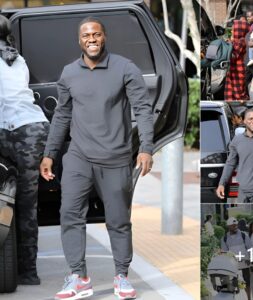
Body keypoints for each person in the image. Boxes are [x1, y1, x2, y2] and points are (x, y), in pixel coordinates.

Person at [40, 17, 153, 300]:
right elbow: (62, 115)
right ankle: (78, 277)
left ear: (104, 37)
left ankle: (121, 277)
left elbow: (142, 109)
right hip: (78, 156)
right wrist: (50, 154)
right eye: (86, 35)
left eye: (97, 34)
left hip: (115, 157)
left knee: (118, 220)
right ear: (79, 40)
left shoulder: (125, 68)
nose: (92, 39)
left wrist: (147, 148)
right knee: (69, 214)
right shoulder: (68, 74)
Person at [0, 15, 49, 284]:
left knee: (4, 199)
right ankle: (29, 272)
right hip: (34, 128)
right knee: (28, 204)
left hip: (7, 129)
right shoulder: (17, 58)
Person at [221, 217, 253, 300]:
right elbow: (224, 253)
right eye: (233, 226)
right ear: (229, 226)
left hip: (245, 263)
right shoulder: (224, 238)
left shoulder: (244, 235)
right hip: (233, 265)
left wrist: (250, 258)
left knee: (247, 283)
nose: (235, 227)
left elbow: (250, 248)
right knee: (233, 284)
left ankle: (249, 298)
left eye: (236, 225)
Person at [224, 20, 249, 101]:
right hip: (234, 70)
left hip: (237, 71)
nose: (231, 31)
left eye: (233, 29)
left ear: (239, 30)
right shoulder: (236, 41)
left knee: (238, 94)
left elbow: (233, 55)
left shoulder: (241, 41)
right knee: (233, 91)